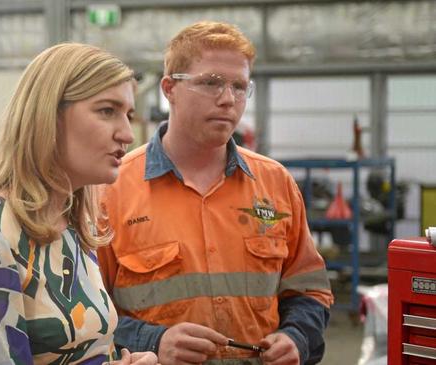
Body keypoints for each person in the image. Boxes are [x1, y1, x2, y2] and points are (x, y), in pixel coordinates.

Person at [97, 21, 334, 365]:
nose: (227, 99)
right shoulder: (111, 190)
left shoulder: (275, 183)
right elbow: (84, 314)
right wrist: (154, 341)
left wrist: (296, 337)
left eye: (239, 86)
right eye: (211, 83)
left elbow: (310, 289)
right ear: (169, 89)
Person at [0, 43, 158, 365]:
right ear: (48, 115)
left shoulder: (72, 227)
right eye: (107, 111)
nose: (127, 134)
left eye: (128, 114)